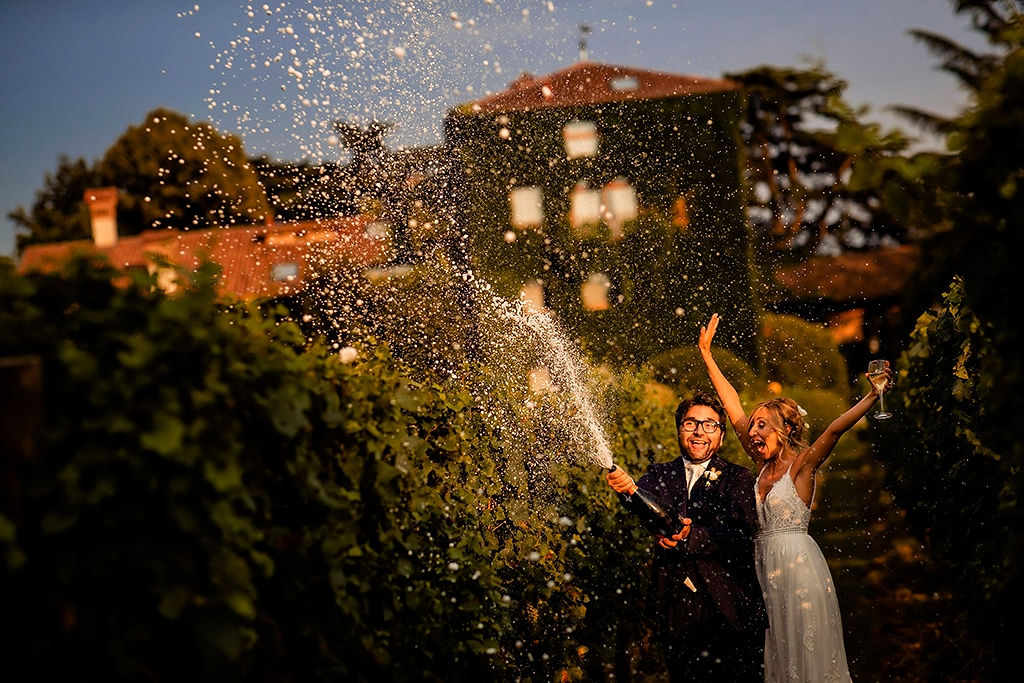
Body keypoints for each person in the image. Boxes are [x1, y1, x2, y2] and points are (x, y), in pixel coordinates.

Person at [698, 312, 893, 682]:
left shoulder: (802, 465)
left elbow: (834, 431)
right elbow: (732, 406)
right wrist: (707, 355)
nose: (751, 431)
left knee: (808, 655)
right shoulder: (760, 464)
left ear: (785, 429)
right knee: (781, 656)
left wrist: (872, 396)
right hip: (765, 572)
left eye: (761, 425)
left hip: (799, 569)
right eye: (752, 425)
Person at [606, 391, 768, 682]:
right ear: (679, 428)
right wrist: (626, 489)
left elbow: (741, 534)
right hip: (677, 609)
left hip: (730, 608)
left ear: (720, 436)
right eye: (690, 423)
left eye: (709, 425)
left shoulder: (738, 478)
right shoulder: (659, 473)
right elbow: (639, 503)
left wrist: (690, 536)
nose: (699, 432)